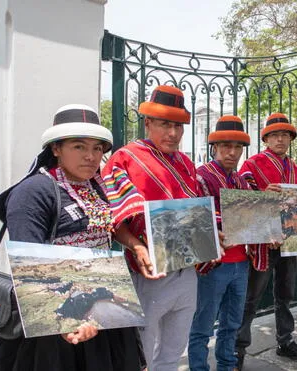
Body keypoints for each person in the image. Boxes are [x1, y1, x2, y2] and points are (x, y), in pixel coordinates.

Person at [0, 104, 143, 370]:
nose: (90, 156)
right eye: (79, 147)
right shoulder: (33, 192)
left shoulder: (96, 187)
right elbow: (29, 263)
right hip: (55, 323)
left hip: (102, 312)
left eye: (97, 148)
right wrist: (66, 321)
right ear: (56, 149)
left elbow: (108, 227)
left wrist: (134, 244)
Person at [102, 85, 202, 370]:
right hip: (148, 273)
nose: (172, 133)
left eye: (178, 126)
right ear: (148, 122)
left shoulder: (186, 164)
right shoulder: (125, 159)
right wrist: (136, 245)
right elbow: (113, 218)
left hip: (187, 270)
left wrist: (211, 235)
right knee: (140, 353)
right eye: (164, 124)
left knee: (173, 351)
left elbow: (193, 217)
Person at [235, 113, 297, 368]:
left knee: (285, 294)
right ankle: (238, 349)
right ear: (266, 138)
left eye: (285, 135)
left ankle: (285, 340)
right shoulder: (252, 164)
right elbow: (241, 197)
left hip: (290, 243)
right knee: (251, 297)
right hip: (262, 243)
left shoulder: (295, 169)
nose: (281, 139)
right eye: (275, 135)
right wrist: (261, 195)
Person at [188, 115, 251, 371]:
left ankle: (227, 365)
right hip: (214, 264)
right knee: (202, 326)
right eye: (226, 146)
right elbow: (197, 217)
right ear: (214, 147)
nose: (232, 152)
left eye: (237, 147)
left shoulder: (241, 181)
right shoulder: (201, 177)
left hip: (241, 262)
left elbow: (252, 218)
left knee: (232, 323)